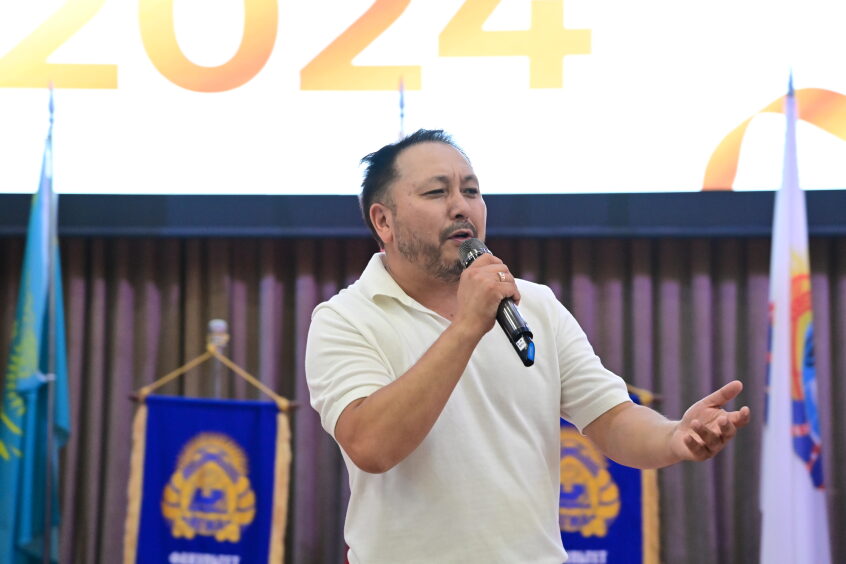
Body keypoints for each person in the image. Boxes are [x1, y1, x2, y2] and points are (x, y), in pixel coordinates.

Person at [305, 129, 751, 563]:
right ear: (383, 221)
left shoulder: (533, 304)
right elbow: (372, 446)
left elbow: (611, 417)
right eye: (437, 193)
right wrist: (467, 327)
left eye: (471, 191)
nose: (462, 207)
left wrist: (674, 436)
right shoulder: (345, 318)